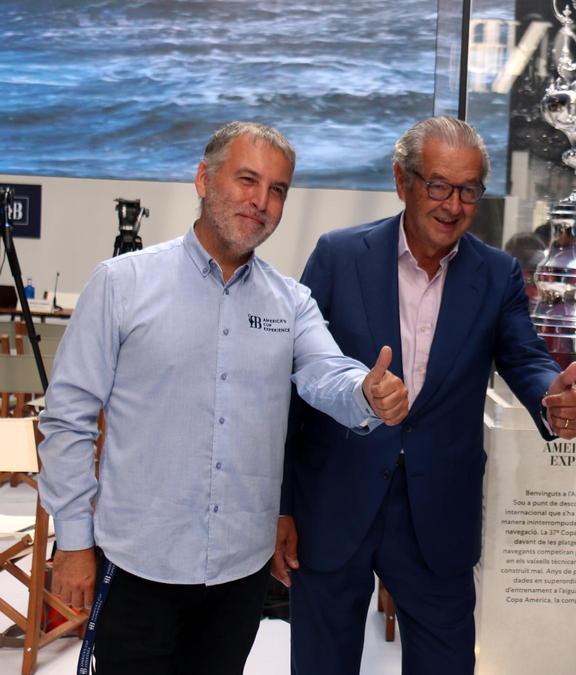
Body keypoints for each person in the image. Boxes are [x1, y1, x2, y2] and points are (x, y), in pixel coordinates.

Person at [36, 121, 409, 674]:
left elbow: (325, 373)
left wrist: (365, 392)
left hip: (239, 574)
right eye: (247, 180)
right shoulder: (122, 284)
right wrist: (71, 542)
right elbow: (67, 420)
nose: (261, 201)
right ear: (203, 179)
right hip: (138, 564)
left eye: (278, 189)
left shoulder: (292, 303)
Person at [278, 116, 576, 675]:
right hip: (334, 505)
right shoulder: (338, 255)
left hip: (437, 516)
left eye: (469, 189)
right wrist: (280, 507)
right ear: (403, 181)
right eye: (438, 185)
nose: (453, 204)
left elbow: (524, 357)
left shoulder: (495, 275)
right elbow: (296, 384)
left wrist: (552, 397)